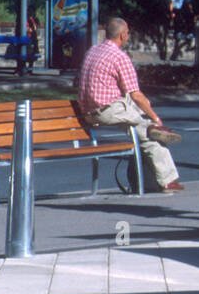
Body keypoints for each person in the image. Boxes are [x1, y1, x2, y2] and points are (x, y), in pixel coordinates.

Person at [78, 17, 185, 193]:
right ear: (122, 35)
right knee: (147, 130)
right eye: (127, 33)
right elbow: (136, 94)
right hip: (107, 110)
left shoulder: (93, 50)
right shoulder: (119, 57)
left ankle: (151, 173)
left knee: (138, 113)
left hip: (89, 110)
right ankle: (168, 180)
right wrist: (155, 116)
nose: (128, 35)